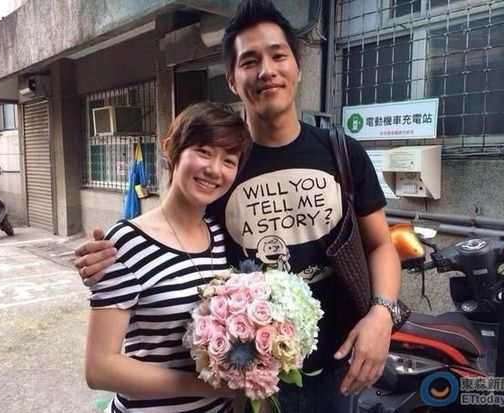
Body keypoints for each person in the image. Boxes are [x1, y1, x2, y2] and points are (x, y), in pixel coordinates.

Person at [76, 1, 402, 412]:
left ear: (297, 67)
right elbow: (173, 237)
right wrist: (109, 257)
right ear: (232, 79)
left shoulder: (342, 152)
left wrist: (382, 315)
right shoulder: (224, 169)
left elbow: (380, 244)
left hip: (337, 370)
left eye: (278, 55)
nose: (267, 70)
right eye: (249, 61)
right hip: (248, 383)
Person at [84, 102, 252, 413]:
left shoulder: (220, 236)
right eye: (203, 151)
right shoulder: (126, 242)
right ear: (172, 151)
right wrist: (207, 386)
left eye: (228, 160)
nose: (214, 169)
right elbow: (99, 368)